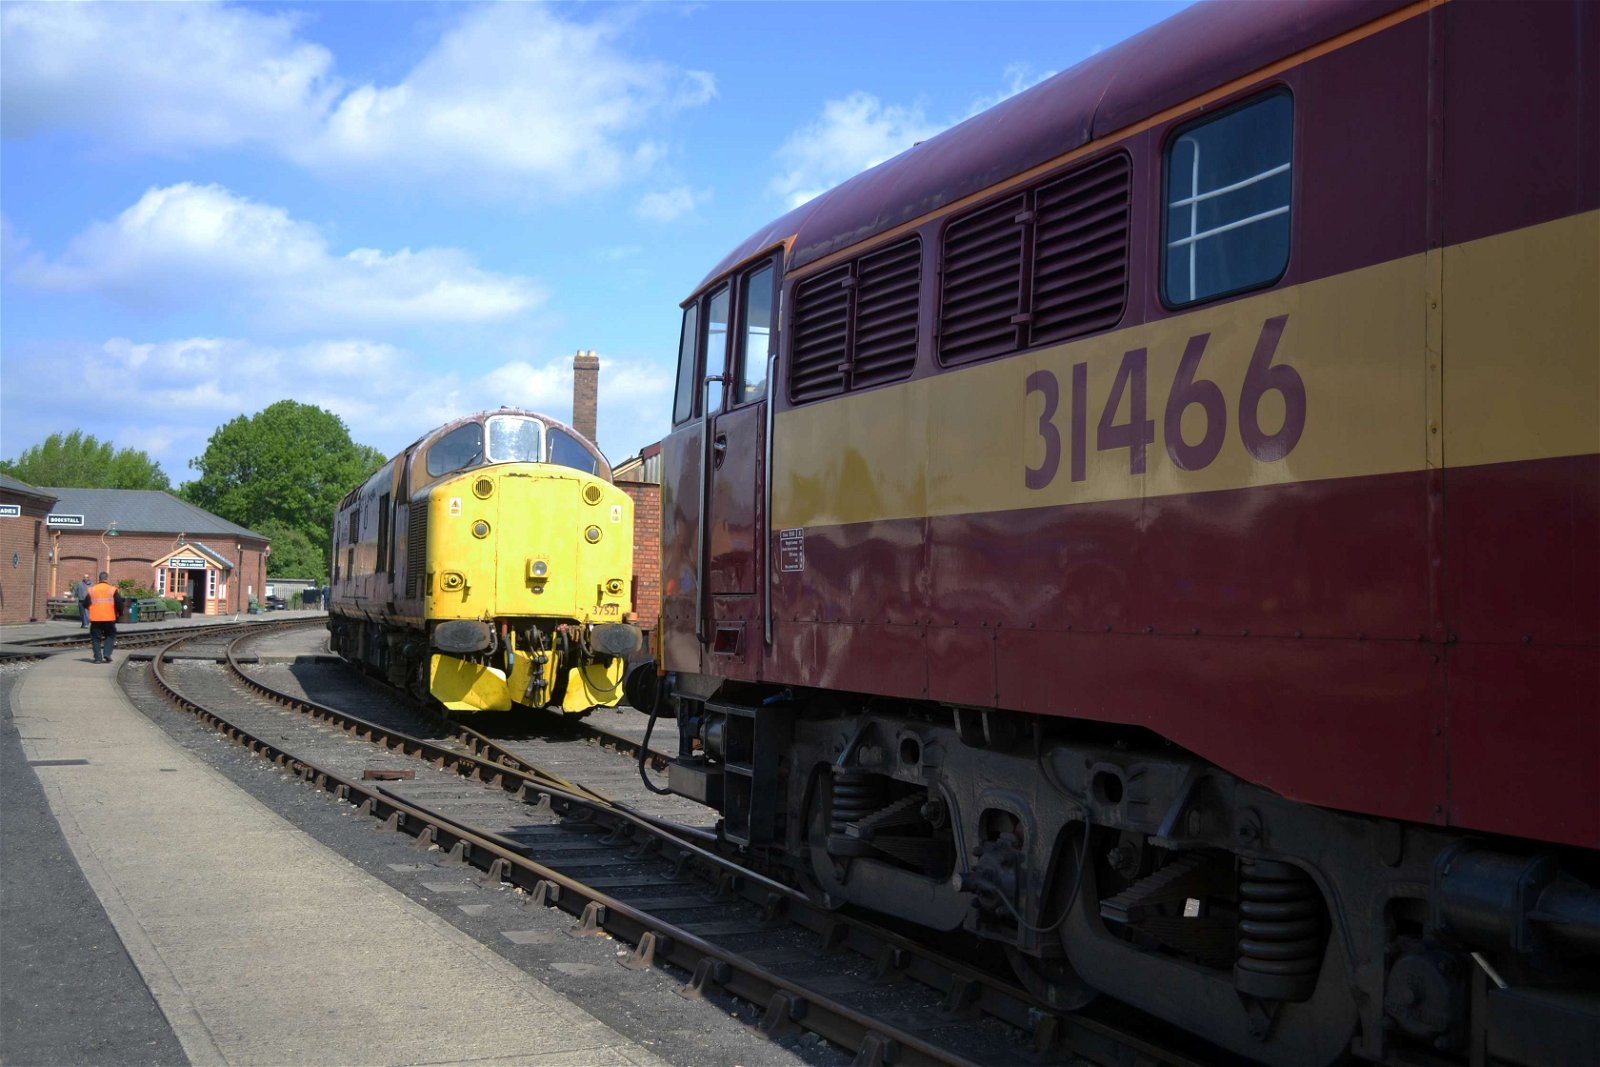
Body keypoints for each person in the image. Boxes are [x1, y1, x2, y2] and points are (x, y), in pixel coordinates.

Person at [83, 571, 125, 664]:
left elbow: (85, 603)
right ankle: (107, 654)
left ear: (99, 579)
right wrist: (120, 613)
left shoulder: (92, 590)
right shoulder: (112, 589)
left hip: (95, 618)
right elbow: (119, 603)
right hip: (109, 618)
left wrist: (92, 609)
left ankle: (98, 658)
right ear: (107, 579)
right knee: (110, 636)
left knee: (96, 638)